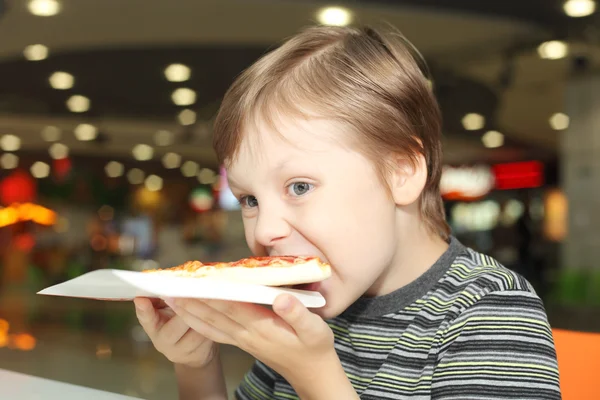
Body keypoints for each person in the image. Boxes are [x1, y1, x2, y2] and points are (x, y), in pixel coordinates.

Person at [134, 25, 561, 399]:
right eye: (250, 200)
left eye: (299, 187)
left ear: (401, 173)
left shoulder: (490, 314)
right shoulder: (305, 303)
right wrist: (196, 365)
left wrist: (316, 376)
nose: (264, 230)